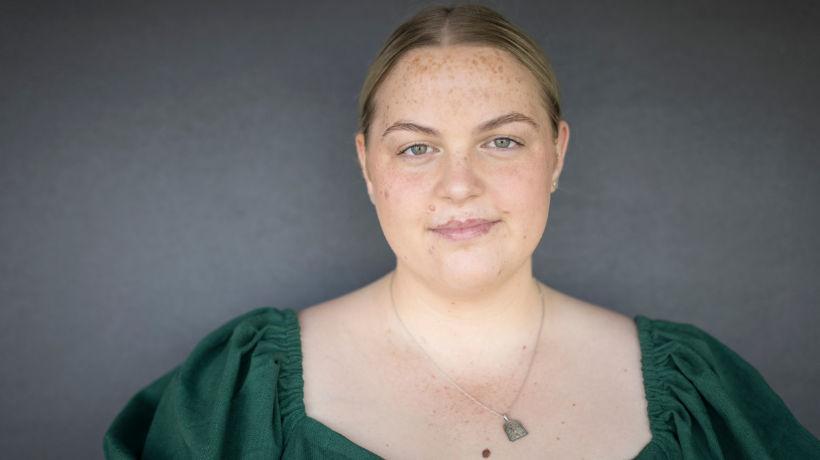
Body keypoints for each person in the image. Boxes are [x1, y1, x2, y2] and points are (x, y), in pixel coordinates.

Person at [104, 4, 820, 459]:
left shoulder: (701, 396)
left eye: (502, 141)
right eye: (417, 147)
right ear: (366, 165)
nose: (459, 185)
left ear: (557, 155)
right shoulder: (236, 396)